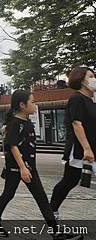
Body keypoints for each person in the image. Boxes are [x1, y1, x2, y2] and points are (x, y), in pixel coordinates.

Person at [0, 90, 81, 240]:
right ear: (22, 105)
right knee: (8, 194)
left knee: (41, 198)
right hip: (18, 167)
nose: (35, 105)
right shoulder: (15, 123)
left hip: (30, 167)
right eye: (32, 102)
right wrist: (22, 168)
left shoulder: (27, 121)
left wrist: (27, 167)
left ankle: (56, 231)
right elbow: (12, 145)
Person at [50, 67, 96, 223]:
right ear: (81, 80)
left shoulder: (91, 100)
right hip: (79, 148)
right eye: (91, 76)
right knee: (69, 180)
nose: (94, 79)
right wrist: (87, 148)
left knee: (71, 180)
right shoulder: (76, 98)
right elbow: (77, 124)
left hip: (91, 148)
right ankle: (52, 211)